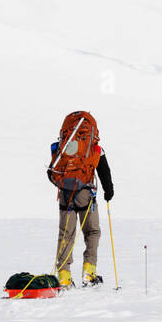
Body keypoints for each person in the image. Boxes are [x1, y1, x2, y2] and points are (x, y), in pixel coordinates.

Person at [48, 111, 114, 287]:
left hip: (65, 193)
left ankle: (64, 277)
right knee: (92, 232)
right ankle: (89, 272)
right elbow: (104, 171)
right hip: (86, 194)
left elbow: (51, 170)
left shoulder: (62, 145)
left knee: (65, 234)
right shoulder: (95, 148)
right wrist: (109, 192)